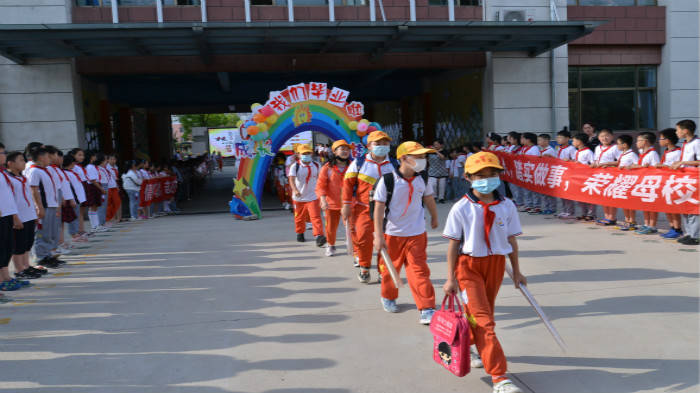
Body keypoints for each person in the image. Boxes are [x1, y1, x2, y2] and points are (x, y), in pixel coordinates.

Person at [442, 151, 526, 393]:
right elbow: (453, 244)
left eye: (492, 174)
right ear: (468, 177)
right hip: (468, 268)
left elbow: (511, 240)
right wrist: (450, 278)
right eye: (480, 175)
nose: (486, 179)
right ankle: (499, 377)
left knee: (483, 314)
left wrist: (517, 272)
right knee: (485, 321)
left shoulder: (507, 205)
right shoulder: (461, 208)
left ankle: (466, 342)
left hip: (496, 265)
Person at [372, 141, 439, 324]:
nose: (422, 160)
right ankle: (388, 296)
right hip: (392, 234)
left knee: (419, 271)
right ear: (403, 158)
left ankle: (427, 307)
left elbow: (428, 198)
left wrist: (434, 216)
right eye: (417, 157)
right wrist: (378, 235)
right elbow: (378, 209)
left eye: (423, 157)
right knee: (389, 270)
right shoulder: (388, 180)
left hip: (417, 233)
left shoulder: (422, 178)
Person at [342, 131, 395, 283]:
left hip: (387, 211)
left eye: (385, 143)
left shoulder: (394, 164)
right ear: (368, 146)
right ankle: (365, 267)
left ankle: (382, 270)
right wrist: (345, 205)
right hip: (363, 208)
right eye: (377, 143)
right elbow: (347, 185)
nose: (382, 146)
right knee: (363, 239)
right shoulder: (358, 163)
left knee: (385, 241)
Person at [4, 151, 45, 280]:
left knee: (28, 242)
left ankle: (26, 265)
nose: (24, 163)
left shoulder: (23, 178)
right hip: (19, 215)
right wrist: (15, 217)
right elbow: (9, 199)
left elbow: (28, 195)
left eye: (24, 160)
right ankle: (19, 269)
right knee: (18, 244)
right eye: (21, 160)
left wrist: (35, 210)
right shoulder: (8, 179)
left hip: (29, 214)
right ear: (10, 163)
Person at [26, 147, 63, 269]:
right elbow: (34, 190)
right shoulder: (34, 171)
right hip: (44, 206)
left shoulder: (45, 170)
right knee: (42, 232)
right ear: (41, 158)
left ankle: (47, 255)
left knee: (50, 232)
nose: (50, 159)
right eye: (47, 156)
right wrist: (39, 207)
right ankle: (40, 257)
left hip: (51, 205)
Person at [316, 140, 351, 257]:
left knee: (352, 227)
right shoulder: (327, 168)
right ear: (335, 151)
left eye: (347, 149)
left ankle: (353, 248)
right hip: (332, 204)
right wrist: (323, 200)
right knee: (331, 228)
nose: (345, 151)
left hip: (350, 204)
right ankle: (331, 245)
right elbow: (321, 185)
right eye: (342, 149)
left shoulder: (353, 166)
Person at [289, 144, 326, 246]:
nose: (306, 155)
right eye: (304, 153)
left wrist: (322, 192)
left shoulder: (317, 165)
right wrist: (295, 190)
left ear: (311, 153)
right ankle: (300, 232)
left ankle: (319, 236)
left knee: (315, 217)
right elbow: (291, 180)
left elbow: (321, 179)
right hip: (299, 197)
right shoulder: (295, 166)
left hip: (313, 196)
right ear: (299, 155)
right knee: (299, 218)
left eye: (308, 153)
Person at [624, 132, 661, 234]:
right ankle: (646, 224)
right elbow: (641, 165)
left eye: (638, 140)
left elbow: (655, 168)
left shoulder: (653, 153)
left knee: (651, 205)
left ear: (645, 142)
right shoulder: (642, 153)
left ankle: (652, 226)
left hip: (650, 182)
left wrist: (639, 167)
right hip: (642, 182)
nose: (636, 143)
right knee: (644, 204)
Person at [0, 144, 26, 291]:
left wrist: (15, 216)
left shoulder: (3, 173)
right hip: (1, 215)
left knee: (7, 247)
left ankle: (6, 277)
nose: (4, 155)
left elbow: (8, 196)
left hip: (7, 214)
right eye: (2, 153)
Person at [670, 119, 700, 245]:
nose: (676, 133)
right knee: (685, 207)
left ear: (685, 131)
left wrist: (682, 163)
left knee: (693, 208)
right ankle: (689, 233)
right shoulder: (686, 143)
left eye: (678, 130)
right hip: (685, 179)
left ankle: (696, 235)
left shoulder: (697, 143)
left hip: (694, 180)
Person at [655, 128, 683, 239]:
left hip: (673, 183)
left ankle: (677, 229)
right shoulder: (667, 151)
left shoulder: (678, 152)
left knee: (673, 208)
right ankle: (672, 227)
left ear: (668, 140)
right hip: (665, 183)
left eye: (661, 138)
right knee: (666, 207)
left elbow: (678, 167)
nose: (659, 141)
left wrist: (663, 166)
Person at [591, 128, 621, 226]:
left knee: (610, 197)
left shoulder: (616, 147)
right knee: (603, 197)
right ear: (598, 138)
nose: (605, 138)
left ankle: (612, 218)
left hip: (611, 175)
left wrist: (607, 163)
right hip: (600, 175)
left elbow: (620, 161)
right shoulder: (597, 148)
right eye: (602, 136)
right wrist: (594, 164)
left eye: (607, 135)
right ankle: (606, 216)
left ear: (612, 136)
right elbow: (596, 160)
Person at [614, 135, 639, 231]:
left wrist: (629, 167)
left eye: (618, 143)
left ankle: (632, 221)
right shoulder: (623, 154)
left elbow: (637, 165)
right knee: (623, 202)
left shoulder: (632, 154)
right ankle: (626, 219)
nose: (617, 145)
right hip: (622, 181)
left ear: (624, 145)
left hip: (630, 181)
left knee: (629, 202)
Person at [571, 133, 596, 221]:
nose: (572, 142)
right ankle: (583, 213)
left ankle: (591, 214)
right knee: (580, 196)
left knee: (588, 196)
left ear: (580, 141)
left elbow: (593, 164)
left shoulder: (588, 151)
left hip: (586, 176)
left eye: (574, 140)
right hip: (577, 176)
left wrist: (581, 164)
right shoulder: (576, 151)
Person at [555, 130, 577, 219]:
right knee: (561, 193)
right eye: (557, 137)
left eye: (560, 137)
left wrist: (568, 161)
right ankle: (564, 210)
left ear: (567, 139)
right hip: (560, 173)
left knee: (568, 193)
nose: (558, 139)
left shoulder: (571, 149)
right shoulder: (558, 148)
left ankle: (570, 212)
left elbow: (575, 160)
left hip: (568, 173)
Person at [85, 151, 107, 231]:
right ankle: (95, 226)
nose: (96, 158)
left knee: (95, 206)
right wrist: (101, 189)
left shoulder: (92, 166)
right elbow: (93, 180)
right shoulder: (90, 167)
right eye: (94, 156)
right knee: (93, 206)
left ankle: (96, 225)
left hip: (95, 186)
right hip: (93, 187)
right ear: (91, 157)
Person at [535, 133, 556, 215]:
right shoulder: (541, 150)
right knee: (543, 192)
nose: (538, 142)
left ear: (546, 141)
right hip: (542, 173)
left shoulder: (550, 150)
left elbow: (554, 162)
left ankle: (552, 208)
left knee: (549, 193)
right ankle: (546, 207)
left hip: (548, 173)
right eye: (538, 140)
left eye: (540, 140)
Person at [519, 133, 540, 213]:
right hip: (525, 171)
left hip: (532, 171)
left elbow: (535, 160)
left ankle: (536, 206)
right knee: (526, 190)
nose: (521, 140)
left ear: (528, 140)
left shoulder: (534, 148)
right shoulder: (524, 148)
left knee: (534, 190)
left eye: (522, 138)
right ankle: (528, 205)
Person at [427, 139, 449, 203]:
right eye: (434, 145)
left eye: (436, 144)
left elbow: (443, 157)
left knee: (442, 185)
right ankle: (434, 196)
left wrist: (436, 151)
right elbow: (426, 159)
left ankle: (441, 198)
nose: (435, 146)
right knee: (433, 184)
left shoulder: (444, 151)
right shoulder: (430, 152)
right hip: (432, 170)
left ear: (441, 145)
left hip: (442, 170)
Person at [105, 154, 122, 224]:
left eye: (114, 159)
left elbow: (115, 178)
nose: (113, 161)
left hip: (114, 186)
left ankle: (119, 217)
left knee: (117, 202)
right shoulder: (106, 167)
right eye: (111, 159)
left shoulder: (116, 167)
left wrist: (117, 186)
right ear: (108, 160)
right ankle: (112, 217)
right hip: (109, 186)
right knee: (110, 203)